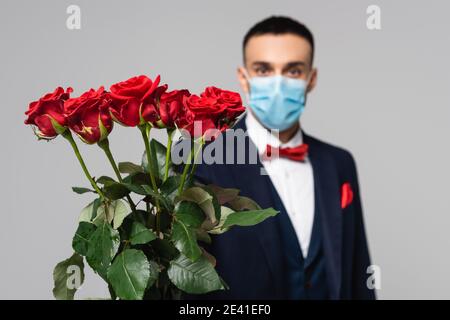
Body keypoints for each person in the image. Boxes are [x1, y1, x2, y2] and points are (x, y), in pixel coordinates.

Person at [190, 16, 375, 300]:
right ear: (244, 77)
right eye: (263, 70)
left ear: (311, 79)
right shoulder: (202, 162)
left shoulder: (339, 163)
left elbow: (358, 273)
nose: (277, 84)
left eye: (292, 71)